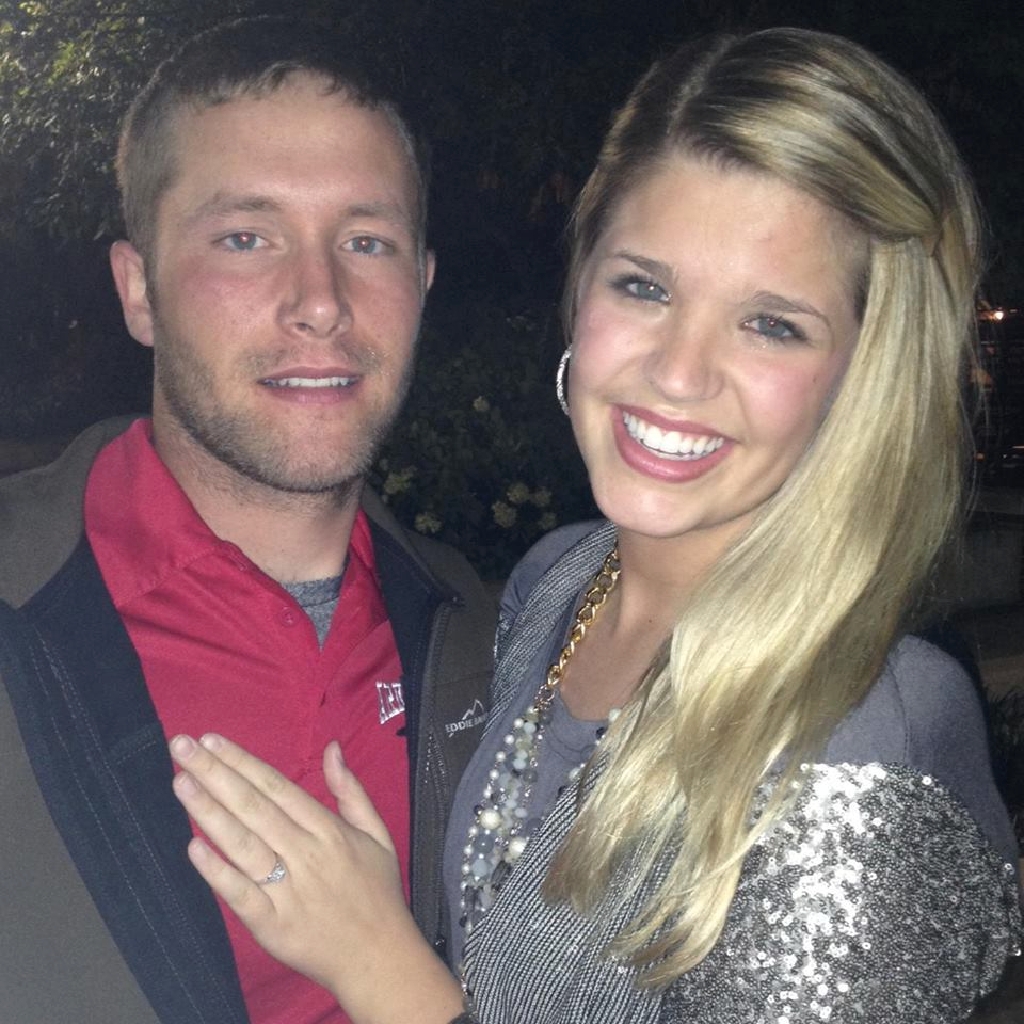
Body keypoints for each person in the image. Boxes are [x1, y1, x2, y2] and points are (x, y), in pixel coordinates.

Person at [168, 27, 1023, 1024]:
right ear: (580, 293)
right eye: (644, 287)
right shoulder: (559, 583)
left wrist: (376, 962)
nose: (678, 372)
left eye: (771, 324)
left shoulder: (868, 735)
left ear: (860, 378)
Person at [0, 17, 495, 1024]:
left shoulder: (489, 641)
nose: (320, 302)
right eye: (245, 238)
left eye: (366, 241)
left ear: (421, 287)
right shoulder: (23, 601)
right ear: (140, 291)